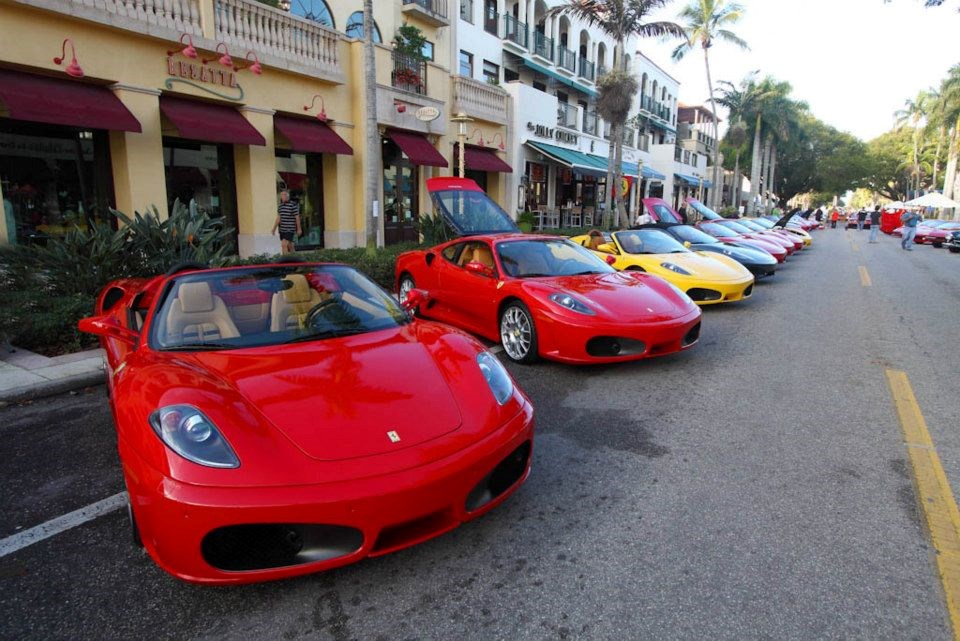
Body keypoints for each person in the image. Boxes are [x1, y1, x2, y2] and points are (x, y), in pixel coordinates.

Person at [272, 189, 301, 255]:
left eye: (284, 195)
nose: (282, 196)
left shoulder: (293, 205)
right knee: (290, 246)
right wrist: (274, 229)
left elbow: (297, 217)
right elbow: (278, 218)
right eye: (281, 195)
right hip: (282, 229)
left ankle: (285, 262)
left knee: (283, 245)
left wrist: (299, 229)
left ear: (287, 196)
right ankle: (295, 259)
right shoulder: (280, 206)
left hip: (290, 229)